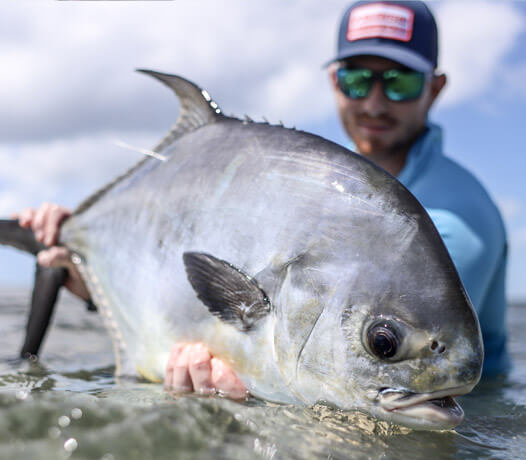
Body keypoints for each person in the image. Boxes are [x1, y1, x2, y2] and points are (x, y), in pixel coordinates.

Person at [15, 0, 509, 398]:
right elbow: (218, 305)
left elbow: (408, 367)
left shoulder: (458, 218)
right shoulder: (330, 190)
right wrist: (88, 275)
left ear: (436, 87)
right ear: (334, 82)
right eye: (358, 79)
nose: (374, 102)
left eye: (399, 81)